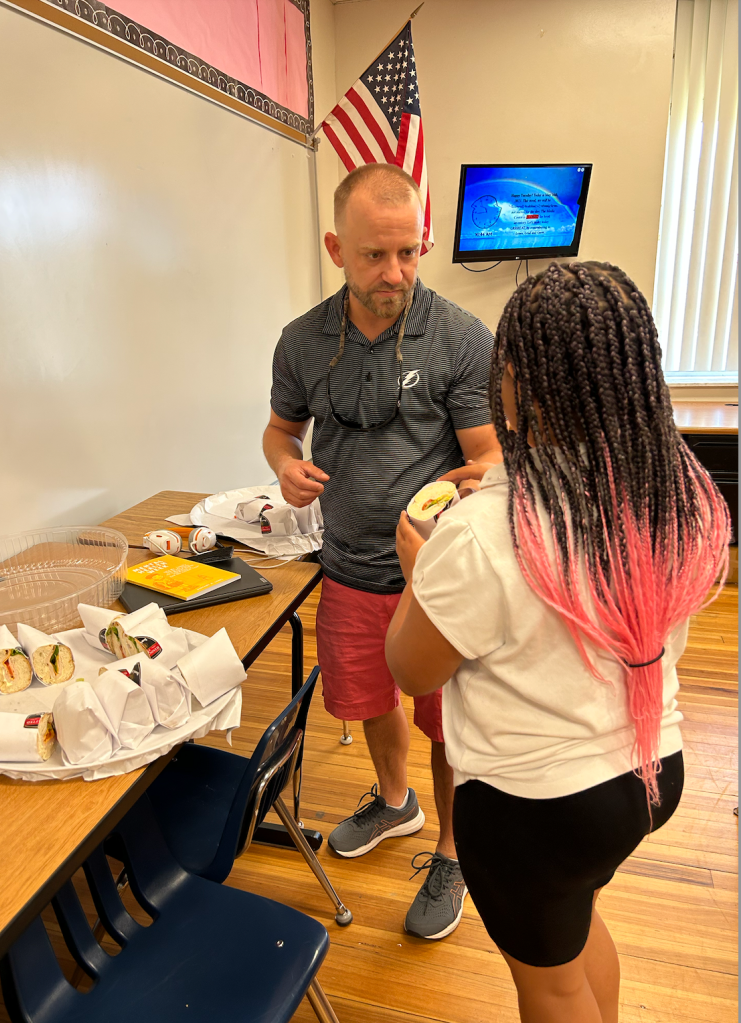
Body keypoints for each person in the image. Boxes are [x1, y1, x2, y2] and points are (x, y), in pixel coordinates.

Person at [385, 261, 730, 1020]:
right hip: (649, 772)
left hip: (533, 806)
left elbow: (411, 670)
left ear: (516, 384)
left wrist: (418, 573)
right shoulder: (677, 496)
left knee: (547, 983)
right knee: (574, 923)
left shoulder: (480, 534)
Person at [263, 163, 502, 940]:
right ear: (336, 248)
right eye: (374, 255)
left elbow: (487, 454)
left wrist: (463, 488)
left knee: (447, 721)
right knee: (368, 699)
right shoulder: (301, 341)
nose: (395, 272)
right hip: (345, 566)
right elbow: (281, 429)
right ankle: (396, 803)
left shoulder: (460, 337)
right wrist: (283, 463)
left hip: (435, 576)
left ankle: (452, 849)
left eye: (408, 252)